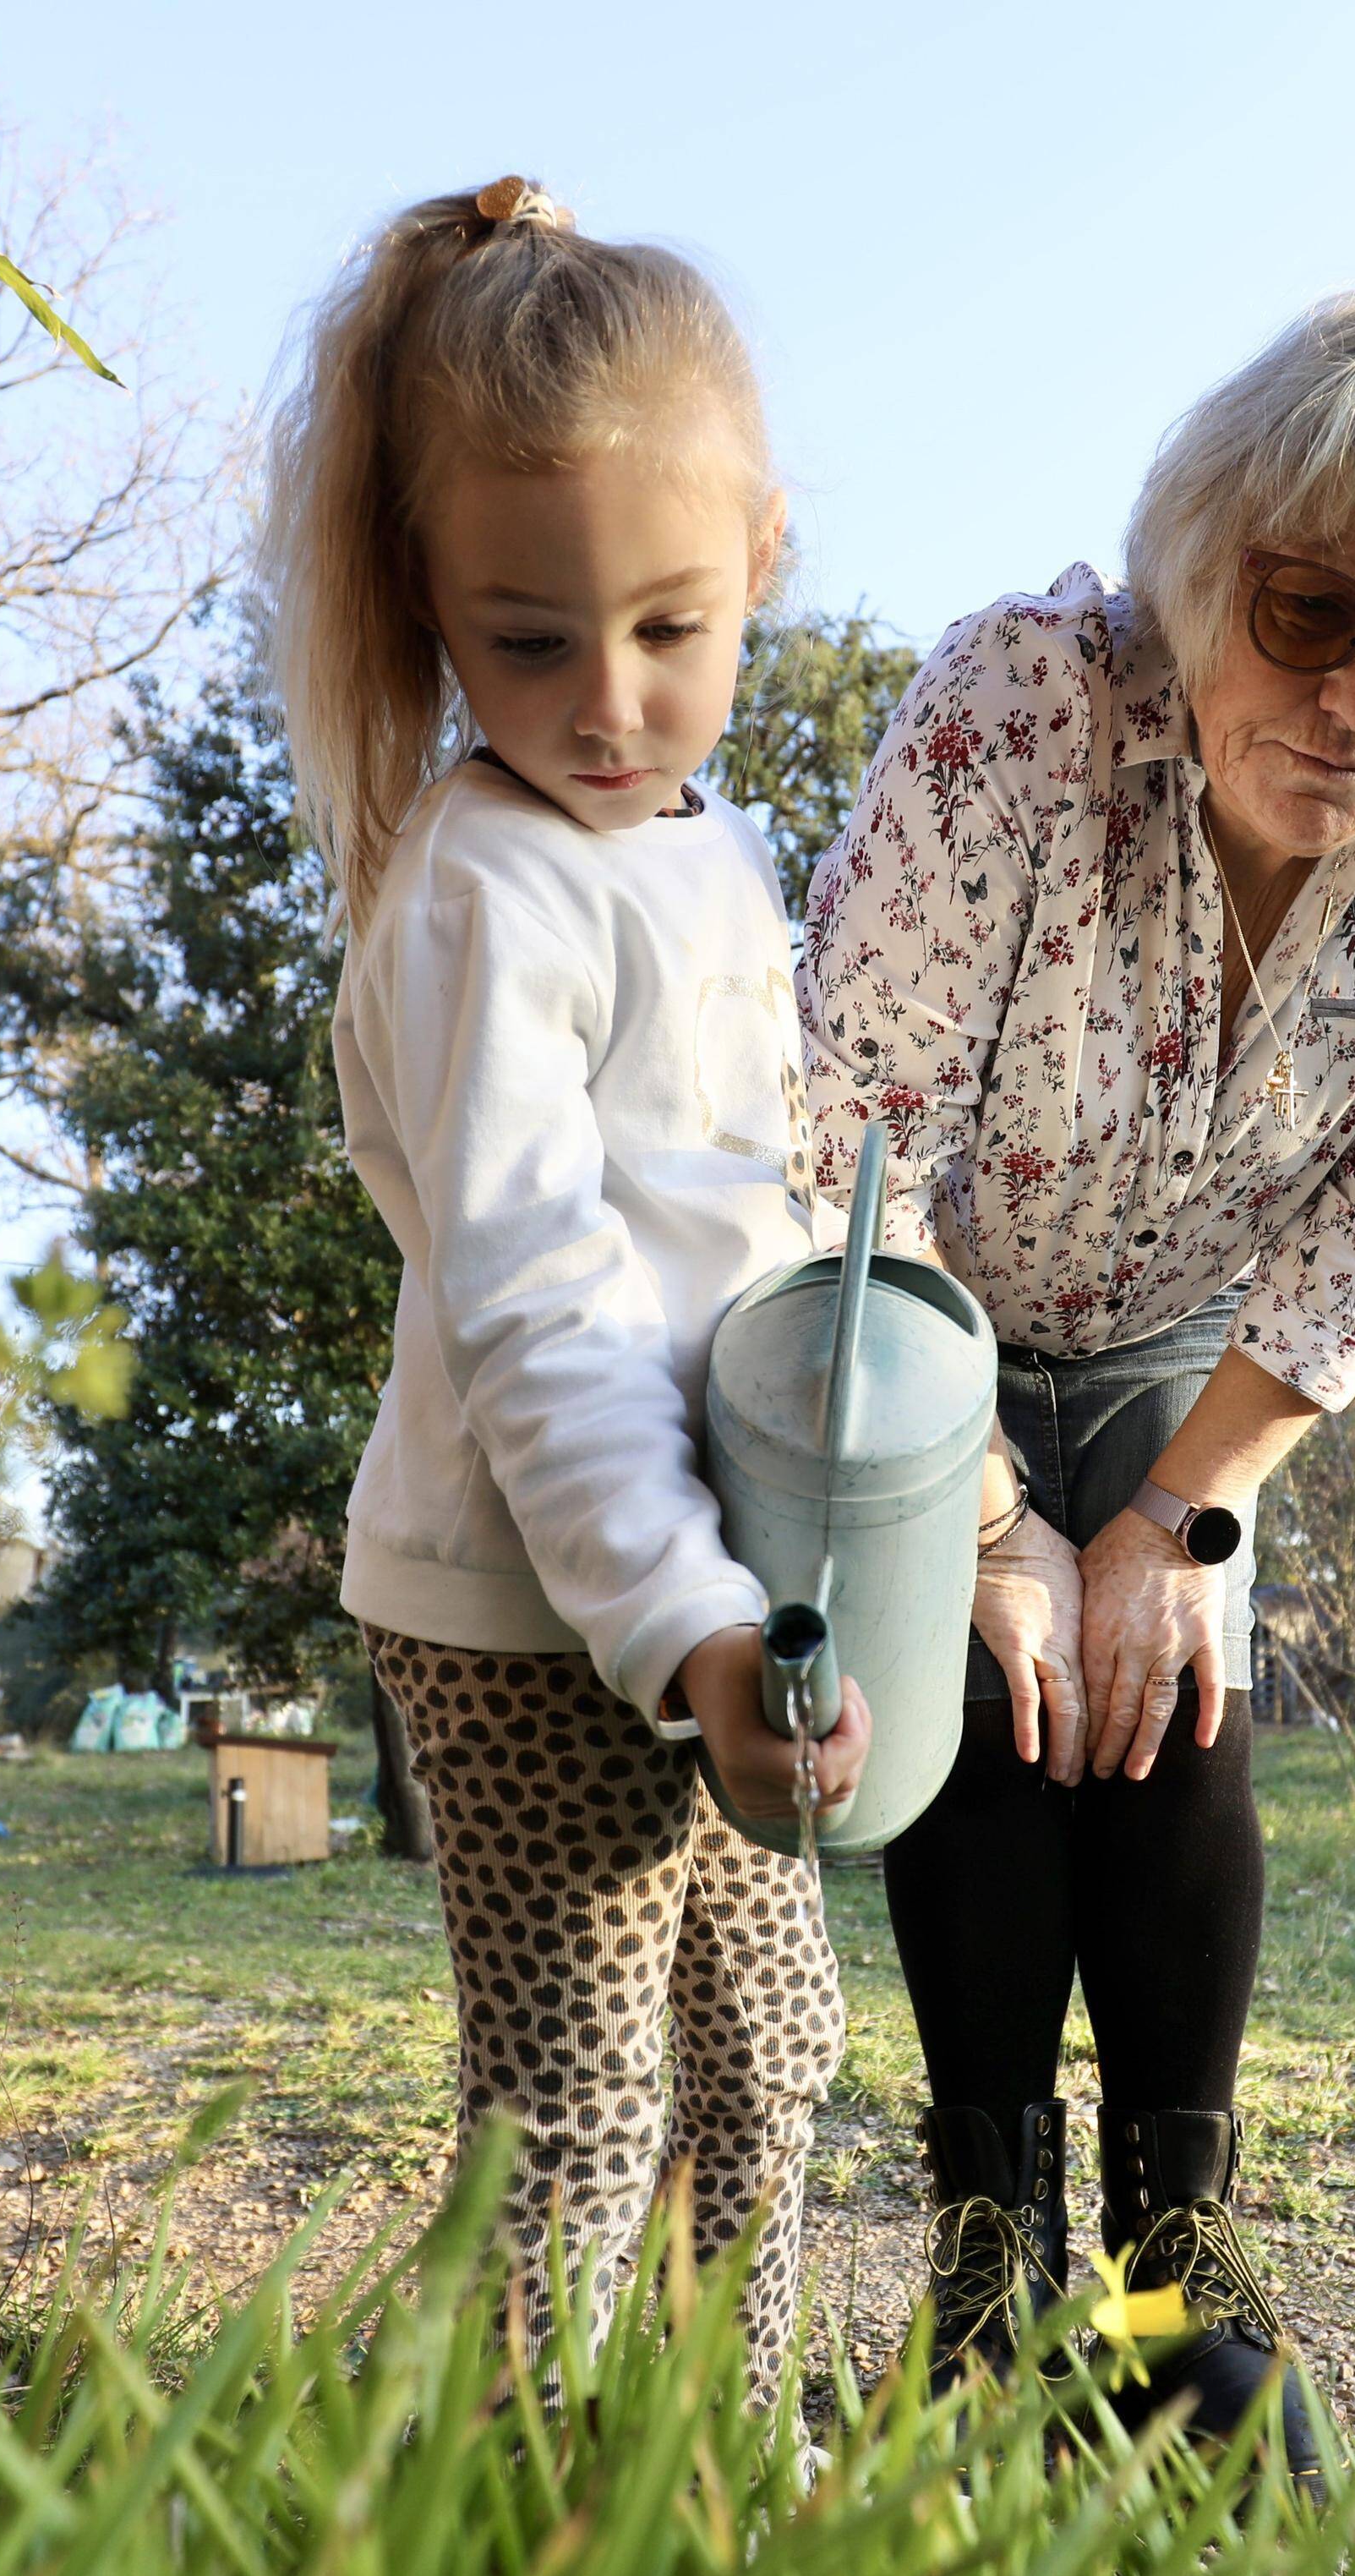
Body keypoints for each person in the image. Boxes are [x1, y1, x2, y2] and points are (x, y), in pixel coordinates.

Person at [800, 294, 1355, 2457]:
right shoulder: (1019, 705)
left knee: (1163, 1684)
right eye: (1313, 609)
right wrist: (979, 1518)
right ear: (1204, 563)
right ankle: (984, 2281)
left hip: (1196, 1337)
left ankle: (1180, 2297)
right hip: (923, 1299)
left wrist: (1170, 1518)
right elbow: (830, 1137)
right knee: (993, 1691)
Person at [278, 178, 871, 2398]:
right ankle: (515, 2533)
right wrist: (694, 1627)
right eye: (526, 641)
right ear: (429, 604)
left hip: (724, 1580)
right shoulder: (484, 888)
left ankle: (723, 2466)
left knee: (777, 2035)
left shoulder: (714, 845)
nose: (608, 702)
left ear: (762, 563)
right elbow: (541, 1300)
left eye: (669, 626)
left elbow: (762, 1220)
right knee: (582, 2099)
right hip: (530, 1602)